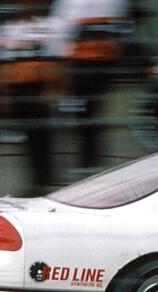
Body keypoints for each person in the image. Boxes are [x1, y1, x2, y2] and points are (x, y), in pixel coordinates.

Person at [0, 4, 63, 195]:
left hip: (39, 90)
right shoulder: (3, 30)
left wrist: (54, 89)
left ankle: (47, 178)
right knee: (27, 138)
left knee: (43, 137)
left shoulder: (47, 27)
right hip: (16, 91)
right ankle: (37, 180)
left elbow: (55, 60)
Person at [49, 0, 128, 171]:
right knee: (86, 111)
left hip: (100, 63)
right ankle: (88, 158)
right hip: (82, 63)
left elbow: (118, 28)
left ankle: (90, 159)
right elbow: (60, 32)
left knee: (91, 111)